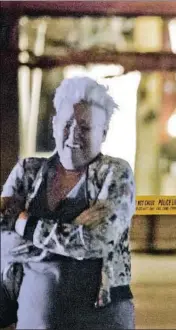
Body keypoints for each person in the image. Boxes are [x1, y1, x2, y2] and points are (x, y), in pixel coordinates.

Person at [0, 76, 136, 329]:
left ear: (104, 132)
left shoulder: (115, 174)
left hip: (102, 322)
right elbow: (2, 242)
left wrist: (25, 224)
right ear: (53, 125)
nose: (74, 134)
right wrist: (70, 237)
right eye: (67, 124)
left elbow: (96, 241)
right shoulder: (27, 172)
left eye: (85, 128)